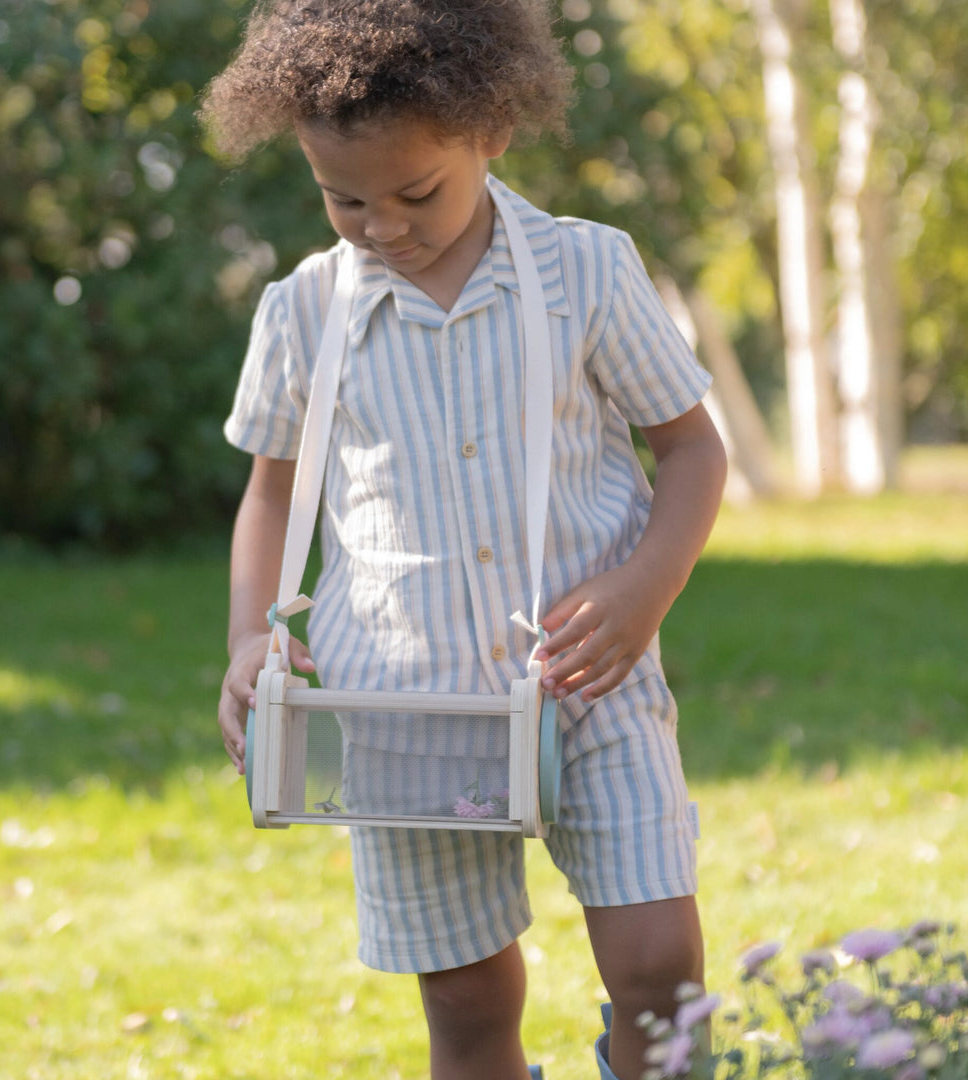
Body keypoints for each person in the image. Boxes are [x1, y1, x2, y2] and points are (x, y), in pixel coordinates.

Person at [203, 2, 728, 1077]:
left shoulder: (588, 271)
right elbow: (270, 495)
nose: (383, 226)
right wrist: (250, 643)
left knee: (660, 968)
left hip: (590, 678)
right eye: (343, 198)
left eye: (416, 192)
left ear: (490, 133)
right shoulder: (302, 310)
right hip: (403, 700)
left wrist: (643, 592)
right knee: (470, 998)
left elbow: (692, 451)